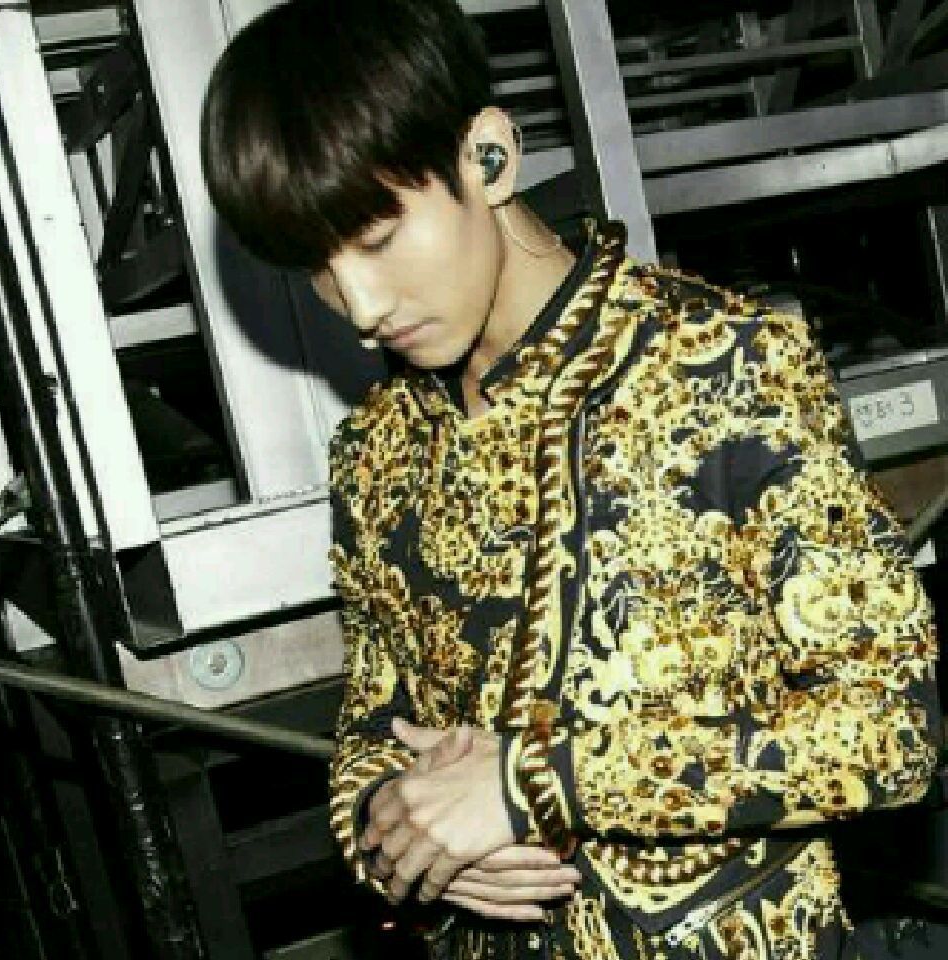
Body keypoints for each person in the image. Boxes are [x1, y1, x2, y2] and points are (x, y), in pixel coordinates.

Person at [199, 1, 942, 957]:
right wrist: (397, 833)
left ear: (488, 158)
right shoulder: (376, 454)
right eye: (318, 267)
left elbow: (892, 734)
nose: (361, 305)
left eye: (378, 238)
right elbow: (374, 729)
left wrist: (529, 787)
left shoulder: (723, 364)